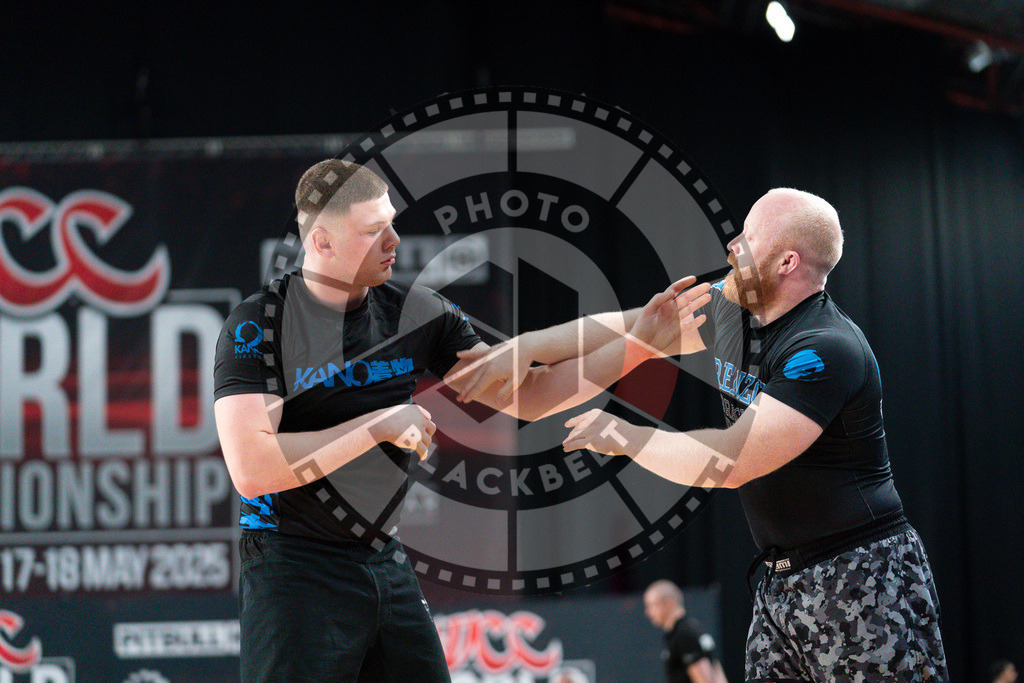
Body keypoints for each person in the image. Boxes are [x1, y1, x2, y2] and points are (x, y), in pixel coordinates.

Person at [212, 158, 711, 682]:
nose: (394, 240)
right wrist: (378, 426)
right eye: (372, 230)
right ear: (322, 243)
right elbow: (253, 469)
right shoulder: (259, 325)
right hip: (293, 563)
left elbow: (534, 394)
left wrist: (640, 341)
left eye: (392, 222)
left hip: (382, 556)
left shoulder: (413, 313)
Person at [463, 188, 948, 680]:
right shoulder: (731, 316)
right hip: (781, 578)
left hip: (859, 574)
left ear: (786, 262)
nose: (732, 245)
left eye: (749, 237)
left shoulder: (822, 348)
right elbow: (627, 329)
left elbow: (731, 462)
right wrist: (527, 346)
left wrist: (623, 435)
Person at [644, 580, 726, 683]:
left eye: (651, 605)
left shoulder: (684, 634)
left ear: (668, 603)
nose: (648, 612)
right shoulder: (690, 629)